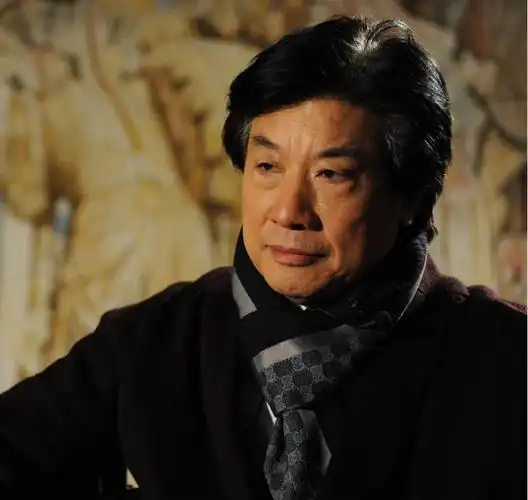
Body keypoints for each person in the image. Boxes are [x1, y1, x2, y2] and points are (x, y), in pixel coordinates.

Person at [0, 15, 525, 500]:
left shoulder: (506, 362)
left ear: (411, 197)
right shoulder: (154, 343)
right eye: (268, 168)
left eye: (331, 174)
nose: (289, 211)